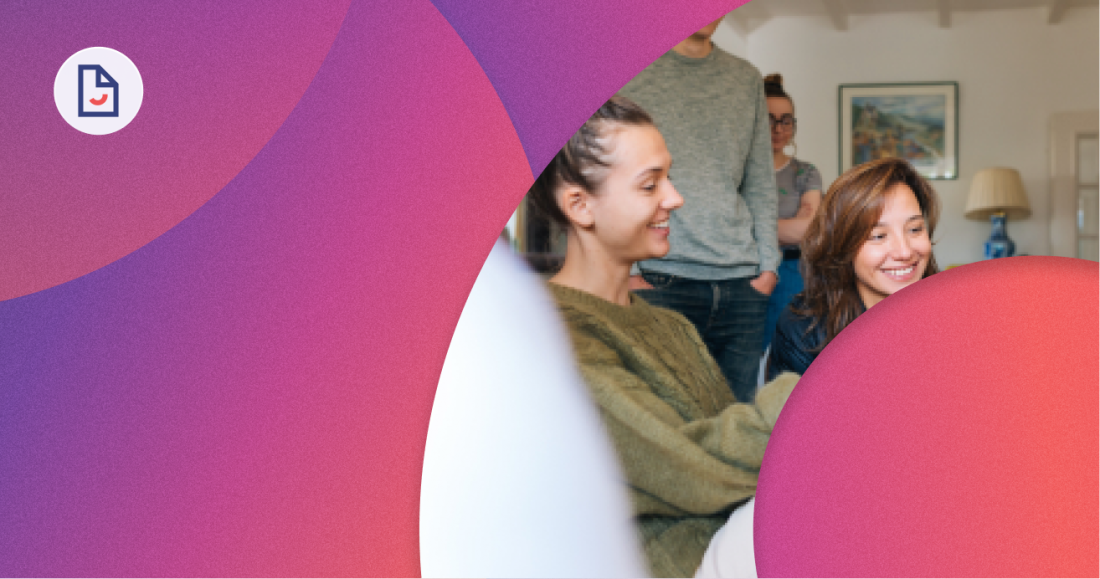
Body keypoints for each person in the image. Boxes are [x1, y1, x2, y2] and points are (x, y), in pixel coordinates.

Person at [529, 95, 798, 578]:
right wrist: (814, 397)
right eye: (650, 184)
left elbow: (735, 458)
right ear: (579, 205)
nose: (674, 198)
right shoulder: (556, 337)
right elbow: (694, 468)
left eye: (668, 179)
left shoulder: (670, 326)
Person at [620, 17, 779, 403]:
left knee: (737, 422)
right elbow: (614, 177)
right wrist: (630, 270)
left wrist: (769, 265)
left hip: (743, 283)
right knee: (666, 421)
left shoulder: (745, 79)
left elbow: (759, 180)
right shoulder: (630, 74)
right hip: (659, 280)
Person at [769, 157, 940, 377]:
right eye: (878, 236)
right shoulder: (804, 329)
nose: (905, 252)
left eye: (915, 229)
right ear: (843, 246)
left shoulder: (957, 317)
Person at [761, 73, 823, 352]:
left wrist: (750, 227)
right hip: (744, 274)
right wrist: (786, 227)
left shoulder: (806, 172)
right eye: (769, 119)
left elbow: (808, 229)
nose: (778, 128)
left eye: (786, 120)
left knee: (786, 354)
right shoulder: (737, 172)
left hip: (793, 273)